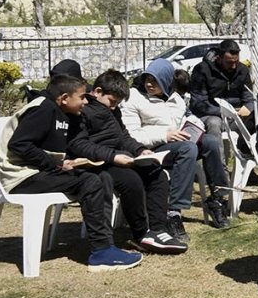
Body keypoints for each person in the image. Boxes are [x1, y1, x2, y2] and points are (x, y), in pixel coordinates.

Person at [0, 74, 141, 271]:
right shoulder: (43, 109)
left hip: (35, 172)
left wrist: (68, 162)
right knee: (90, 182)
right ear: (65, 97)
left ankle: (105, 245)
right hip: (20, 177)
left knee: (101, 176)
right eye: (82, 97)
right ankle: (101, 252)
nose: (85, 101)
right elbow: (19, 145)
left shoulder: (59, 111)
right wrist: (56, 165)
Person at [69, 70, 186, 253]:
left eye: (117, 103)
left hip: (120, 156)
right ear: (97, 92)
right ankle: (141, 234)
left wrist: (140, 150)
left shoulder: (112, 111)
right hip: (99, 163)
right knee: (132, 181)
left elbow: (123, 136)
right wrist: (112, 157)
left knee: (157, 174)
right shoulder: (83, 111)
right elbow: (80, 144)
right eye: (112, 101)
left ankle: (158, 229)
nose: (114, 107)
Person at [121, 59, 227, 232]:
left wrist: (195, 126)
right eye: (147, 79)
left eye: (154, 80)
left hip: (177, 144)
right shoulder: (134, 98)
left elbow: (185, 117)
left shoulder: (176, 98)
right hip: (151, 150)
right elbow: (131, 136)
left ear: (167, 79)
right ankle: (174, 212)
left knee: (209, 141)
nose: (149, 84)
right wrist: (165, 135)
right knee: (188, 148)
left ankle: (217, 197)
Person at [188, 39, 256, 172]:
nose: (233, 66)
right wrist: (224, 112)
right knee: (214, 124)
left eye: (236, 62)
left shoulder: (242, 70)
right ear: (218, 58)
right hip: (210, 114)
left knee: (257, 121)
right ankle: (220, 172)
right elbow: (199, 103)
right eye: (229, 63)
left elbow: (249, 97)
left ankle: (248, 166)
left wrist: (248, 108)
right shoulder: (202, 70)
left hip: (236, 115)